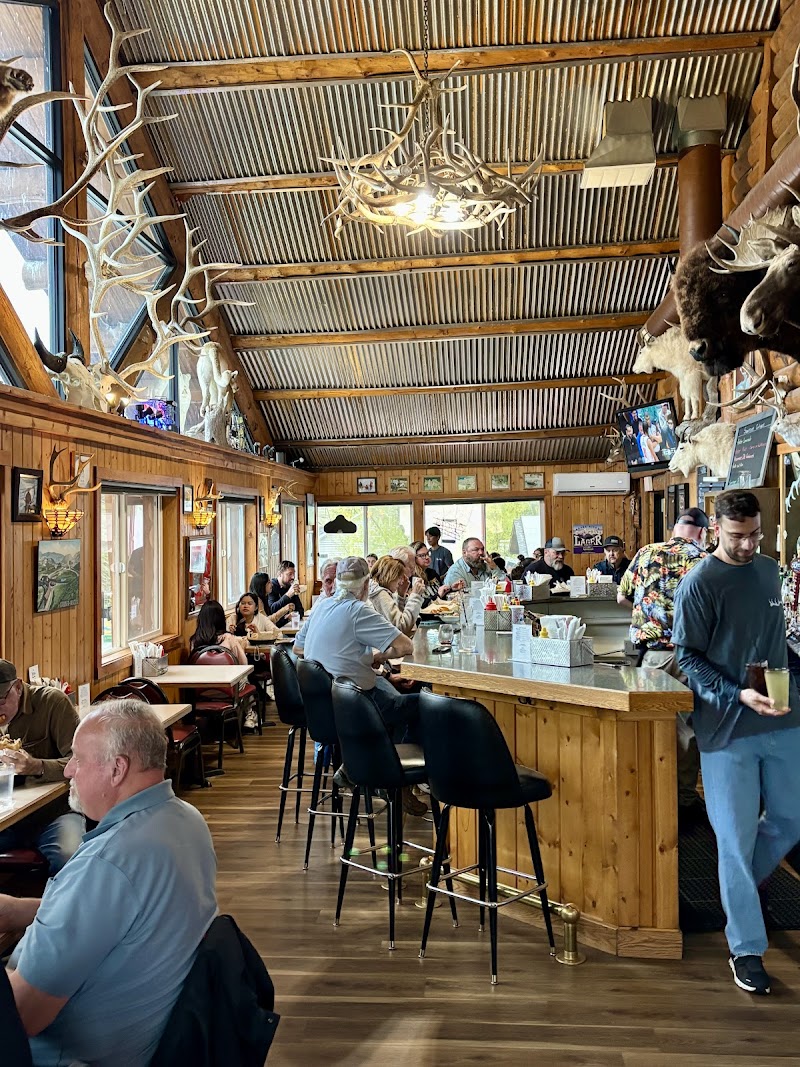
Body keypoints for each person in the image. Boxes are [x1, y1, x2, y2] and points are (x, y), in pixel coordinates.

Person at [3, 699, 217, 1065]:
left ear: (117, 769)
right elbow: (120, 914)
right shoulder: (186, 820)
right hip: (148, 1033)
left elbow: (21, 1015)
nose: (69, 770)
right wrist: (21, 911)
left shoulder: (107, 863)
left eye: (77, 758)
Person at [672, 491, 800, 996]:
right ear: (715, 531)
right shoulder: (699, 583)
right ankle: (746, 946)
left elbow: (774, 640)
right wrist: (735, 692)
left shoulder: (770, 571)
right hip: (726, 726)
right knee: (732, 839)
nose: (747, 545)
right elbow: (688, 657)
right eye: (736, 537)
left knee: (790, 818)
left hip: (783, 714)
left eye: (754, 535)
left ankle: (744, 888)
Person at [293, 558, 422, 799]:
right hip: (356, 705)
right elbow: (406, 646)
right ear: (366, 586)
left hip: (324, 706)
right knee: (422, 704)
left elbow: (298, 649)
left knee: (395, 696)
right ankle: (391, 775)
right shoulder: (359, 610)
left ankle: (363, 764)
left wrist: (360, 657)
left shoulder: (322, 606)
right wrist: (378, 655)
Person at [618, 508, 709, 819]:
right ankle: (683, 800)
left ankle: (650, 796)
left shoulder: (645, 552)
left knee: (648, 726)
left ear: (676, 527)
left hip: (650, 656)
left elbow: (622, 597)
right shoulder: (704, 560)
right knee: (686, 729)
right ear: (702, 531)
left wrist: (650, 615)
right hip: (689, 655)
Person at [0, 660, 83, 874]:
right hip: (7, 818)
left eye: (0, 701)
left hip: (55, 813)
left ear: (18, 687)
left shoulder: (52, 703)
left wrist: (37, 766)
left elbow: (81, 762)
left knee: (69, 858)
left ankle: (64, 907)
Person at [369, 555, 424, 634]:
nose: (402, 582)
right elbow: (401, 627)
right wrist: (415, 596)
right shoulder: (379, 593)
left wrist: (401, 595)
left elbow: (398, 620)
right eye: (400, 577)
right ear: (391, 576)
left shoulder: (377, 589)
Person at [190, 599, 248, 665]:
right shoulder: (228, 638)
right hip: (227, 674)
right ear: (221, 619)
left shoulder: (195, 640)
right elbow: (243, 663)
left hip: (202, 675)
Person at [409, 540, 463, 606]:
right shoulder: (410, 578)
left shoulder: (432, 573)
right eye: (422, 555)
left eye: (427, 554)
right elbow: (417, 605)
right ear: (414, 558)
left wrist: (451, 589)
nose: (427, 557)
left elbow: (441, 596)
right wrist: (438, 595)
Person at [267, 560, 304, 626]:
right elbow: (272, 609)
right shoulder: (271, 587)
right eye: (289, 574)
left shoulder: (290, 586)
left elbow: (301, 611)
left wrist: (294, 615)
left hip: (288, 626)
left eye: (294, 574)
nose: (293, 577)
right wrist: (288, 595)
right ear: (280, 574)